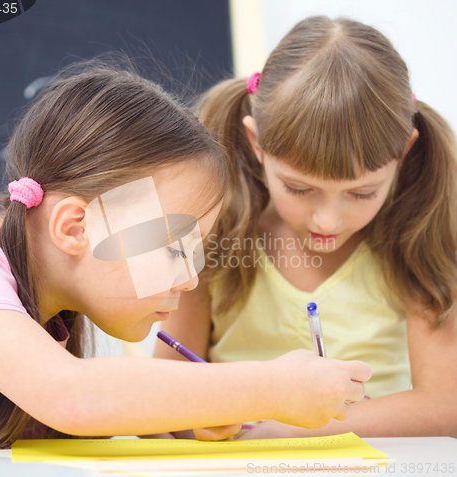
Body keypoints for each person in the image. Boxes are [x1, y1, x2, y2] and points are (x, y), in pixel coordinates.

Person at [0, 58, 371, 450]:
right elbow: (74, 395)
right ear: (74, 228)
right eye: (175, 247)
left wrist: (194, 409)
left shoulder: (44, 323)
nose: (190, 279)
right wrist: (275, 389)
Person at [155, 16, 457, 439]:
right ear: (256, 143)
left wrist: (291, 430)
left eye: (361, 193)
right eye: (299, 188)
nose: (327, 221)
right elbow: (157, 405)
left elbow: (445, 407)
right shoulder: (217, 235)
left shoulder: (417, 239)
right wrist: (197, 426)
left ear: (405, 152)